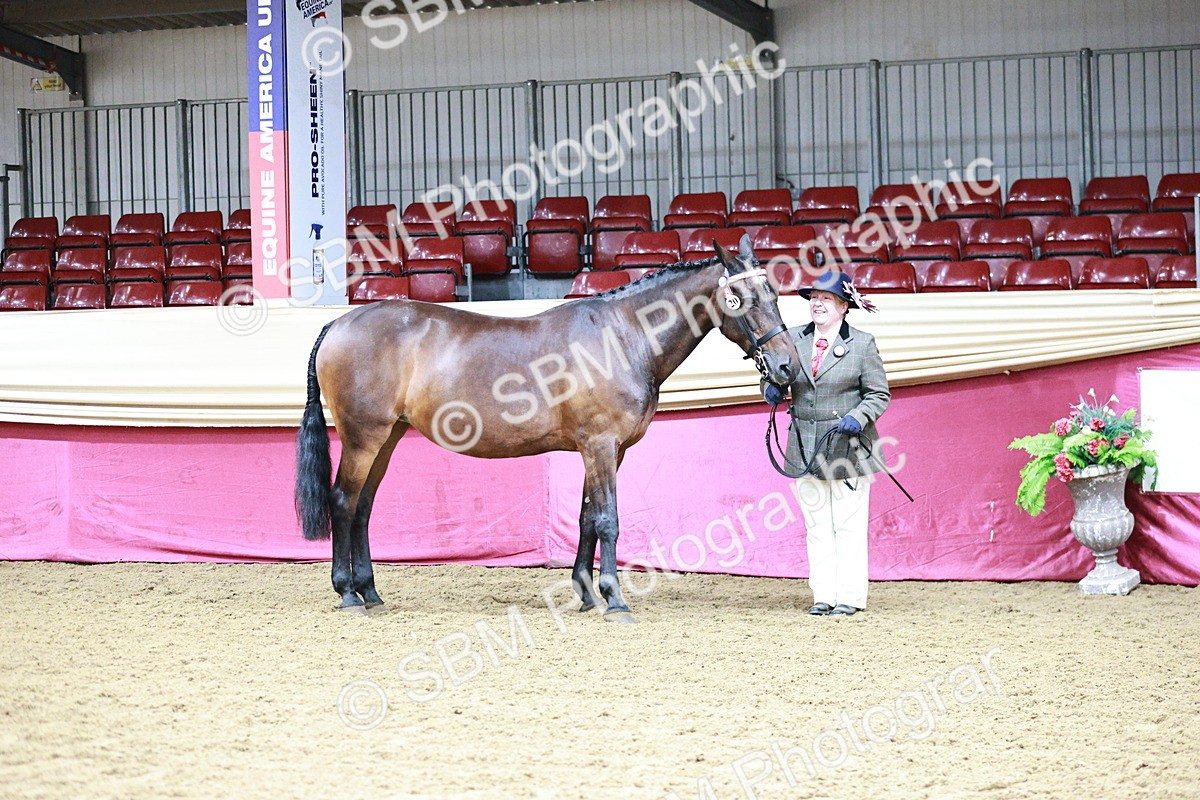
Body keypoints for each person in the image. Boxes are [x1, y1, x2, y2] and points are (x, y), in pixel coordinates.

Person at [765, 269, 890, 617]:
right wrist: (771, 390)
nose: (818, 304)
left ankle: (849, 596)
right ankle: (823, 594)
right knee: (817, 525)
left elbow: (879, 395)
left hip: (847, 447)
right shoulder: (792, 339)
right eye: (814, 298)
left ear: (843, 306)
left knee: (847, 524)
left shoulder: (862, 344)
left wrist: (859, 416)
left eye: (826, 299)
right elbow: (773, 375)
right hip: (805, 445)